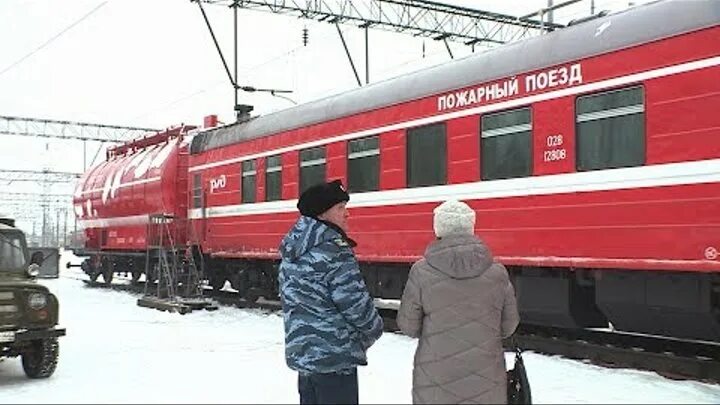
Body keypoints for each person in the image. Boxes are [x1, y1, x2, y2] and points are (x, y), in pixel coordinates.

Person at [397, 199, 520, 404]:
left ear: (438, 229)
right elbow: (509, 326)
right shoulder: (497, 272)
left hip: (436, 378)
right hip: (486, 379)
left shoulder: (421, 271)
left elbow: (408, 326)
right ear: (471, 227)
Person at [278, 179, 384, 405]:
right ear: (322, 214)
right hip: (334, 358)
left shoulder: (292, 250)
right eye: (340, 208)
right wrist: (373, 330)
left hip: (305, 356)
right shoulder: (334, 250)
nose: (347, 214)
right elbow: (356, 305)